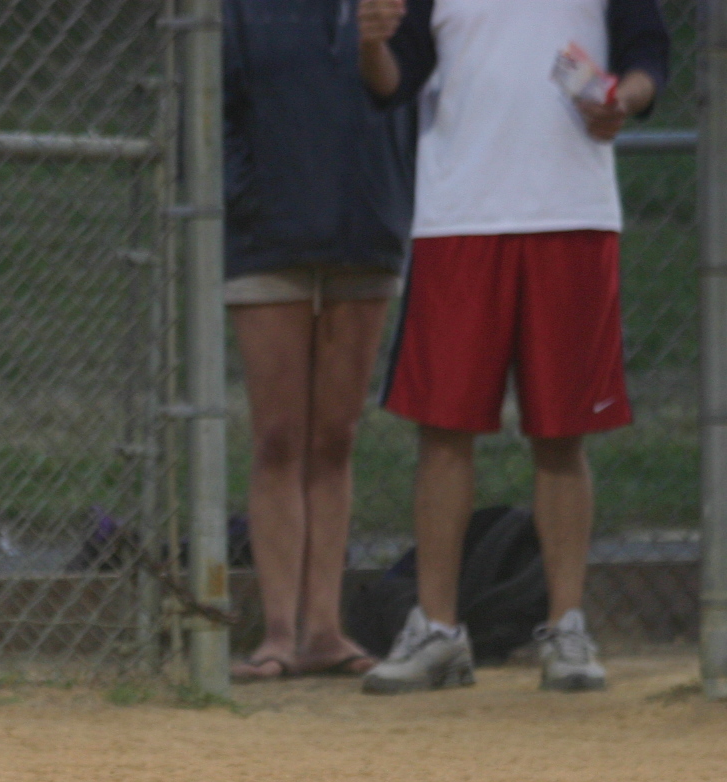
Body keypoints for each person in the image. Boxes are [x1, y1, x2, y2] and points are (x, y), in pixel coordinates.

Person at [358, 0, 669, 695]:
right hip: (459, 216)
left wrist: (625, 97)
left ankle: (566, 628)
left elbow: (650, 53)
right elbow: (393, 80)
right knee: (443, 430)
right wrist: (371, 44)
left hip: (573, 213)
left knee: (563, 432)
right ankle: (437, 630)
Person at [223, 0, 416, 681]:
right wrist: (238, 199)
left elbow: (411, 89)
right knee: (278, 435)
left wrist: (375, 44)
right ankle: (278, 632)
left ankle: (324, 629)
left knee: (335, 436)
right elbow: (215, 105)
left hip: (366, 228)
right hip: (266, 229)